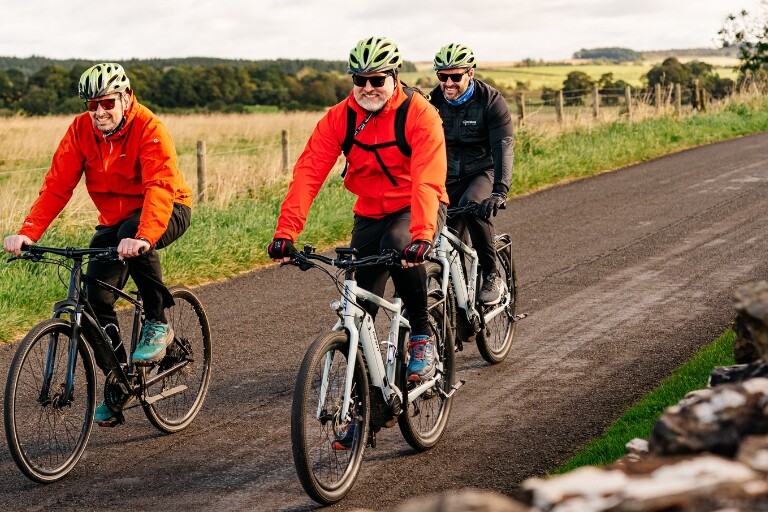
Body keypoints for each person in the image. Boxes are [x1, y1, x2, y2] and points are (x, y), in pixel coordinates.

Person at [3, 62, 192, 426]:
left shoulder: (150, 128)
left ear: (125, 98)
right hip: (115, 221)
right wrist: (29, 232)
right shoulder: (80, 130)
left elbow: (159, 188)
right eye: (91, 105)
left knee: (131, 236)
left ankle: (157, 322)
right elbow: (58, 185)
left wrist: (143, 237)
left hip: (168, 208)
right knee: (92, 299)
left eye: (106, 103)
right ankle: (119, 378)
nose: (99, 112)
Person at [268, 36, 448, 385]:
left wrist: (423, 235)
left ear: (394, 77)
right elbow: (308, 173)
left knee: (398, 245)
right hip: (369, 211)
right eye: (359, 80)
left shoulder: (420, 115)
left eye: (377, 80)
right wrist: (285, 233)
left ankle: (422, 337)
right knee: (361, 309)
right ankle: (362, 407)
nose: (368, 88)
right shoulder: (340, 117)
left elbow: (427, 178)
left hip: (417, 207)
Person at [430, 43, 513, 305]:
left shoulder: (491, 101)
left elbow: (503, 147)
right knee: (440, 234)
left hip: (482, 171)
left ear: (471, 73)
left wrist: (500, 190)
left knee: (472, 205)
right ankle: (457, 299)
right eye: (443, 76)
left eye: (456, 76)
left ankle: (491, 273)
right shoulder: (433, 102)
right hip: (447, 175)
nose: (449, 83)